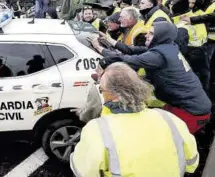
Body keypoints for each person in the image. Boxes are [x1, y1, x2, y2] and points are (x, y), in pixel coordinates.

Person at [70, 62, 199, 177]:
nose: (102, 93)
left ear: (114, 95)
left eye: (102, 89)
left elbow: (82, 171)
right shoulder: (169, 118)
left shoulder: (97, 130)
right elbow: (191, 162)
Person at [89, 22, 212, 134]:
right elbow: (131, 50)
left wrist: (99, 48)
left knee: (171, 141)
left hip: (191, 110)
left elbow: (126, 59)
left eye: (151, 33)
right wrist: (109, 40)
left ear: (161, 36)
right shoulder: (167, 47)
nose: (146, 35)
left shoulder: (158, 55)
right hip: (184, 104)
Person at [170, 0, 210, 92]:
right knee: (203, 83)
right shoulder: (194, 17)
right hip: (203, 53)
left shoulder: (181, 26)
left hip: (190, 57)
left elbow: (179, 50)